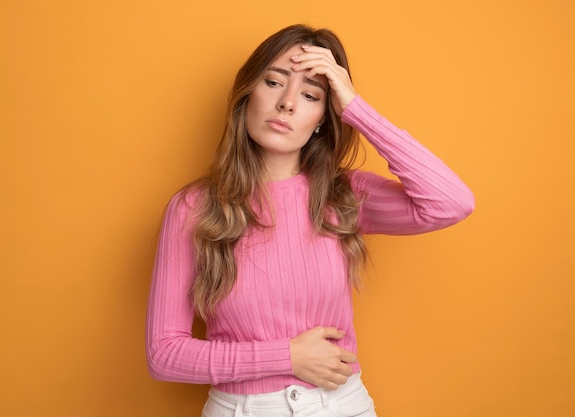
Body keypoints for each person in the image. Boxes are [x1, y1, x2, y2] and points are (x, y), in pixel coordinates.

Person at [145, 24, 474, 417]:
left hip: (342, 406)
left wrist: (355, 107)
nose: (287, 103)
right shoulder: (195, 207)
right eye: (273, 82)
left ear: (323, 116)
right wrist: (287, 357)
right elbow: (164, 354)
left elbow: (451, 202)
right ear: (247, 94)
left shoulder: (343, 195)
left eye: (310, 94)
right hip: (244, 410)